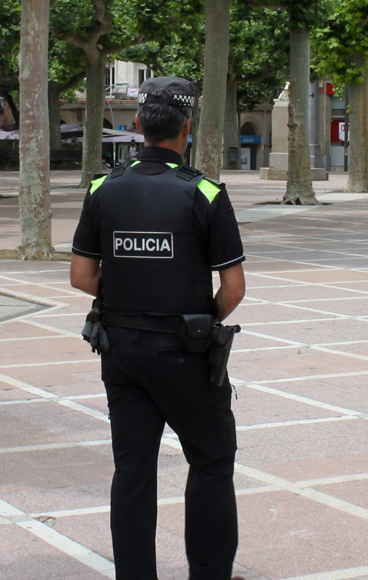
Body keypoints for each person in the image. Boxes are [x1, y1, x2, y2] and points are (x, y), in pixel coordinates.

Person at [69, 77, 246, 580]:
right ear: (186, 130)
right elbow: (233, 288)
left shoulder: (103, 188)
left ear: (138, 127)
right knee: (211, 461)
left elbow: (82, 276)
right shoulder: (205, 193)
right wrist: (200, 319)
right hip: (187, 354)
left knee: (133, 471)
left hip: (121, 351)